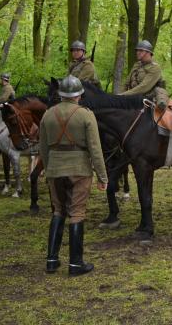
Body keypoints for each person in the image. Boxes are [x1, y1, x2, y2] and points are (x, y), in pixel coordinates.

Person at [39, 75, 108, 276]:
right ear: (79, 95)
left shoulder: (47, 115)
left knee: (58, 211)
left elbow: (43, 148)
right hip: (79, 169)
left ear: (60, 94)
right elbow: (95, 149)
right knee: (77, 212)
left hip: (54, 169)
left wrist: (49, 169)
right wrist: (102, 177)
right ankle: (76, 264)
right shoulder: (86, 115)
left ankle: (52, 260)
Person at [120, 40, 167, 108]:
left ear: (148, 53)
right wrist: (118, 98)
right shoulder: (137, 65)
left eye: (141, 51)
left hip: (149, 102)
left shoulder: (155, 68)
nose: (137, 52)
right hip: (133, 99)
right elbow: (126, 83)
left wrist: (123, 95)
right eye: (137, 50)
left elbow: (143, 87)